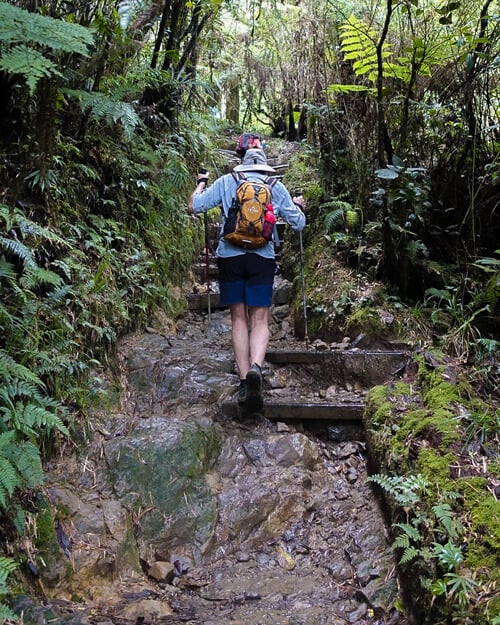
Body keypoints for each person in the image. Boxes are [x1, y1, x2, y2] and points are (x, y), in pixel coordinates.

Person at [188, 135, 305, 412]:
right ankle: (256, 368)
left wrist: (201, 183)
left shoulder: (228, 181)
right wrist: (298, 206)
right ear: (266, 167)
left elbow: (195, 206)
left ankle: (243, 382)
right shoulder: (275, 185)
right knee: (260, 317)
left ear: (242, 163)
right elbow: (298, 224)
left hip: (230, 255)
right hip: (262, 257)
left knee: (238, 316)